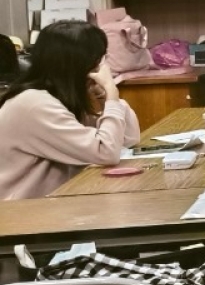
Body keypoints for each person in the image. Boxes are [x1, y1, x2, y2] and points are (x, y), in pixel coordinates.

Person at [0, 20, 141, 201]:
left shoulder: (59, 97)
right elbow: (107, 152)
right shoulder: (34, 104)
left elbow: (128, 138)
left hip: (50, 205)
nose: (101, 69)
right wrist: (112, 95)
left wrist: (104, 96)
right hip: (19, 212)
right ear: (78, 64)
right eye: (98, 61)